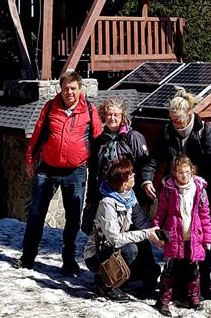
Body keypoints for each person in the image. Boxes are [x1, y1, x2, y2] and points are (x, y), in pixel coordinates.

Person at [14, 68, 103, 273]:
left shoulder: (90, 110)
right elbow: (37, 134)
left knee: (73, 219)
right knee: (36, 213)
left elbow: (97, 142)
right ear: (60, 90)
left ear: (80, 89)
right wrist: (30, 159)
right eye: (65, 89)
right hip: (48, 169)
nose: (69, 92)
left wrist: (97, 169)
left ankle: (69, 260)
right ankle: (28, 257)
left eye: (73, 88)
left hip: (76, 171)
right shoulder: (50, 107)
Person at [141, 88, 211, 299]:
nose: (175, 123)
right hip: (173, 196)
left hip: (197, 198)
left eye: (178, 120)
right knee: (175, 243)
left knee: (199, 241)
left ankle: (202, 288)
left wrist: (200, 189)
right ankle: (176, 288)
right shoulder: (167, 132)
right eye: (172, 119)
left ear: (189, 115)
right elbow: (155, 158)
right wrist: (147, 178)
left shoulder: (206, 132)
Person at [83, 96, 159, 292]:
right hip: (106, 198)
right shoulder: (99, 142)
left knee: (138, 237)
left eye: (116, 114)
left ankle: (147, 274)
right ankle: (109, 275)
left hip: (130, 199)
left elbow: (143, 167)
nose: (112, 118)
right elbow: (94, 172)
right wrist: (91, 199)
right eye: (108, 114)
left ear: (123, 115)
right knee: (109, 240)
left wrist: (142, 195)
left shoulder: (133, 137)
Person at [84, 158, 163, 302]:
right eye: (131, 175)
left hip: (113, 249)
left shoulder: (129, 197)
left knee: (143, 244)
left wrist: (157, 236)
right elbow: (114, 239)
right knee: (131, 248)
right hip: (97, 254)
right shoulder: (107, 203)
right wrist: (146, 234)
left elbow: (142, 222)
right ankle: (107, 284)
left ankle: (144, 276)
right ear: (124, 183)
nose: (134, 176)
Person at [153, 155, 211, 315]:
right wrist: (157, 231)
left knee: (193, 270)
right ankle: (163, 300)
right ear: (174, 173)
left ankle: (193, 298)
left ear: (192, 171)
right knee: (170, 270)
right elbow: (161, 212)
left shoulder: (199, 189)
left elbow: (205, 216)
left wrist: (207, 238)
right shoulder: (169, 190)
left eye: (187, 172)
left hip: (193, 237)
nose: (184, 176)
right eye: (180, 172)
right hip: (174, 236)